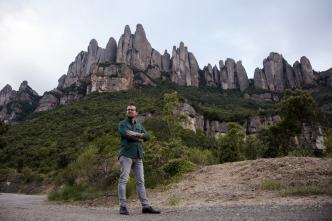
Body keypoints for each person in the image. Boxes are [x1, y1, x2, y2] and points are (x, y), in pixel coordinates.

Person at [118, 103, 161, 215]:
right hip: (126, 155)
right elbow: (128, 136)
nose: (130, 111)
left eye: (132, 110)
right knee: (123, 181)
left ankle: (145, 207)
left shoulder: (139, 126)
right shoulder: (122, 124)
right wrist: (140, 138)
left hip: (138, 156)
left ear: (136, 113)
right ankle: (122, 207)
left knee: (140, 182)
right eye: (128, 110)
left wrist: (137, 134)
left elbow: (148, 137)